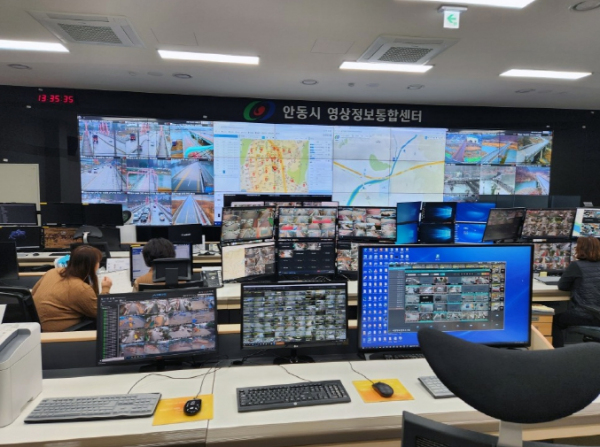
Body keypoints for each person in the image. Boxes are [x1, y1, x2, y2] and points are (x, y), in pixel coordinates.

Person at [32, 245, 112, 332]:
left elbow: (33, 293)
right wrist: (105, 289)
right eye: (98, 262)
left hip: (37, 326)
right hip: (60, 331)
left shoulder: (52, 272)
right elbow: (102, 313)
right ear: (91, 265)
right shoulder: (81, 288)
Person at [552, 236, 600, 347]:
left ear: (580, 249)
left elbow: (562, 286)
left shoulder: (576, 266)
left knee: (553, 321)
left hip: (586, 314)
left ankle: (558, 354)